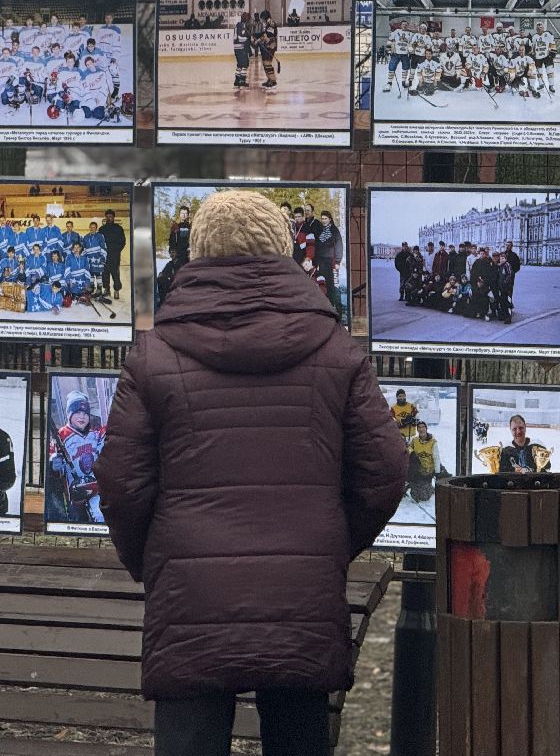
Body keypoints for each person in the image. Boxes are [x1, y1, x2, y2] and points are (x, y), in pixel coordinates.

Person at [95, 190, 406, 756]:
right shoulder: (336, 351)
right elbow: (384, 472)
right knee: (298, 738)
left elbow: (121, 483)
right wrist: (329, 543)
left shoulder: (154, 356)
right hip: (302, 592)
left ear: (196, 251)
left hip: (190, 593)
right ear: (284, 247)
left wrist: (154, 558)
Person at [49, 392, 107, 524]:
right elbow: (50, 461)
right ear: (69, 414)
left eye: (86, 413)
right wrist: (52, 464)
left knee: (100, 518)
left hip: (95, 490)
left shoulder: (95, 433)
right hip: (75, 497)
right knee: (79, 524)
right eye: (77, 412)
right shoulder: (61, 436)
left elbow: (108, 436)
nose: (82, 416)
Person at [100, 209, 127, 297]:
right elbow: (99, 242)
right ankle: (107, 289)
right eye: (107, 217)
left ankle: (116, 290)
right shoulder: (102, 229)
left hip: (114, 255)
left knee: (115, 274)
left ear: (114, 217)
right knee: (105, 274)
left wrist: (116, 251)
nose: (109, 218)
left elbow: (122, 242)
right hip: (104, 256)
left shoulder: (118, 228)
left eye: (110, 216)